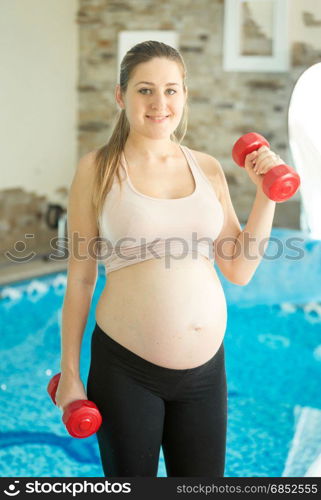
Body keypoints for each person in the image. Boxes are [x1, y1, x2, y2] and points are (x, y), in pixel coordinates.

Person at [55, 40, 281, 477]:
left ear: (184, 95)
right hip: (125, 370)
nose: (160, 103)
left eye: (171, 90)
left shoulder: (208, 168)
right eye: (145, 90)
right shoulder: (97, 169)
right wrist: (69, 370)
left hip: (205, 374)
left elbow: (238, 267)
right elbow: (81, 279)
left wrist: (267, 195)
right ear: (121, 96)